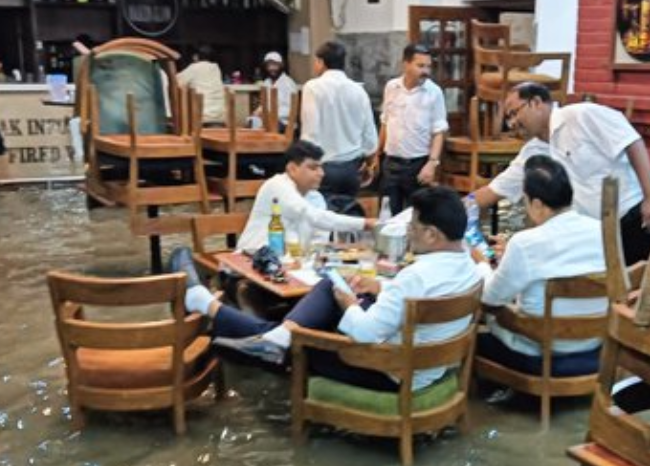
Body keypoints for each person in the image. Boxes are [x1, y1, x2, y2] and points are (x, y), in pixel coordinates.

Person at [169, 187, 481, 390]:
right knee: (329, 284)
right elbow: (421, 300)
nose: (409, 234)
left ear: (431, 235)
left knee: (304, 338)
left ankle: (216, 310)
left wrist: (349, 303)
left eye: (412, 228)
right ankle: (275, 336)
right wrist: (380, 289)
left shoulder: (416, 276)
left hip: (388, 371)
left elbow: (366, 333)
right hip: (427, 367)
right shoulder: (470, 265)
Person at [472, 82, 650, 282]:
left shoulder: (582, 115)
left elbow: (632, 143)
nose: (512, 123)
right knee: (627, 289)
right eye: (508, 118)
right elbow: (496, 188)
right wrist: (458, 208)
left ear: (536, 102)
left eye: (514, 113)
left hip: (638, 211)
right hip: (603, 231)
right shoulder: (533, 152)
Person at [474, 155, 606, 377]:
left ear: (536, 203)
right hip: (593, 344)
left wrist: (482, 265)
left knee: (479, 325)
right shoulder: (602, 230)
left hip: (541, 350)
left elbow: (489, 299)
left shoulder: (525, 243)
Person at [237, 140, 376, 252]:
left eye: (321, 167)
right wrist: (364, 223)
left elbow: (320, 239)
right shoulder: (277, 185)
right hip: (252, 259)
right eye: (313, 168)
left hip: (290, 266)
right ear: (292, 168)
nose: (321, 173)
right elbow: (312, 216)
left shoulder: (316, 198)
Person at [300, 40, 377, 215]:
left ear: (320, 62)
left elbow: (310, 134)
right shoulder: (358, 90)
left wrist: (305, 166)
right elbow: (370, 137)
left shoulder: (313, 87)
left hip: (324, 168)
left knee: (323, 222)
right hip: (352, 170)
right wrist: (369, 164)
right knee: (347, 221)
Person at [370, 44, 448, 215]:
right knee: (388, 217)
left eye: (428, 66)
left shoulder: (434, 92)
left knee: (419, 218)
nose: (426, 71)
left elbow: (438, 132)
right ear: (405, 64)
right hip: (391, 164)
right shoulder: (391, 87)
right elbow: (385, 122)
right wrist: (377, 155)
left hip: (418, 166)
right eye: (420, 66)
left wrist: (432, 164)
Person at [177, 45, 226, 127]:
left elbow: (178, 81)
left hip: (202, 115)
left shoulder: (194, 67)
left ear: (196, 56)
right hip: (220, 115)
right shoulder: (216, 68)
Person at [255, 51, 297, 132]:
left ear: (281, 65)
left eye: (274, 65)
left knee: (269, 128)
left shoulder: (289, 83)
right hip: (268, 120)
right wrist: (258, 111)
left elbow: (291, 110)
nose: (271, 68)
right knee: (251, 122)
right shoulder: (266, 83)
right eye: (269, 65)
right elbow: (265, 105)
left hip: (285, 123)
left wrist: (271, 114)